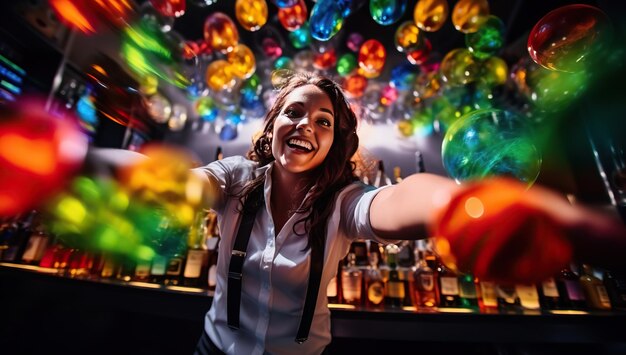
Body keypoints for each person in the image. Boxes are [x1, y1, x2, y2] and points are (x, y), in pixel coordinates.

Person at [192, 71, 626, 355]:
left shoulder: (344, 201)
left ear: (333, 145)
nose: (307, 124)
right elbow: (186, 182)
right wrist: (151, 181)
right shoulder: (235, 177)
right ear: (273, 129)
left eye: (324, 121)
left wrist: (463, 207)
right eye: (294, 112)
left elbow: (398, 200)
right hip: (212, 348)